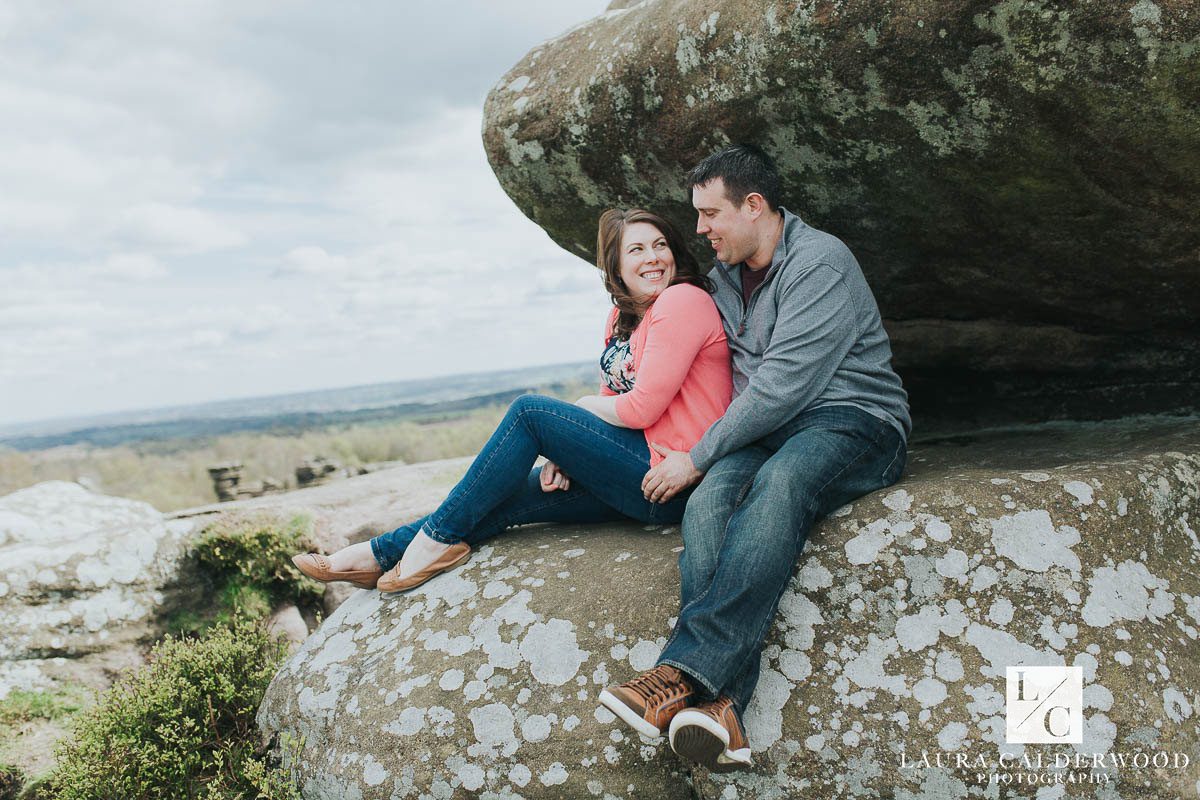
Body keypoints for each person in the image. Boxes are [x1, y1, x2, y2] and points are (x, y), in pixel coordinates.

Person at [599, 145, 911, 772]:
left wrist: (696, 455)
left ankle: (679, 671)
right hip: (764, 430)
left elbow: (781, 388)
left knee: (781, 483)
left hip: (854, 420)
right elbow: (651, 350)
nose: (699, 230)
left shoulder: (819, 262)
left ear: (754, 205)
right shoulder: (718, 281)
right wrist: (573, 439)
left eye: (710, 214)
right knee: (711, 500)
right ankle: (722, 713)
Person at [292, 208, 732, 593]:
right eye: (636, 249)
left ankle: (429, 546)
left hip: (673, 479)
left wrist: (573, 417)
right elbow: (611, 396)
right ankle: (377, 555)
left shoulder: (683, 300)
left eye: (660, 245)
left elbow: (641, 409)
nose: (653, 257)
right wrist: (572, 449)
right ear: (616, 264)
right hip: (632, 464)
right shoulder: (622, 314)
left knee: (530, 412)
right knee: (506, 498)